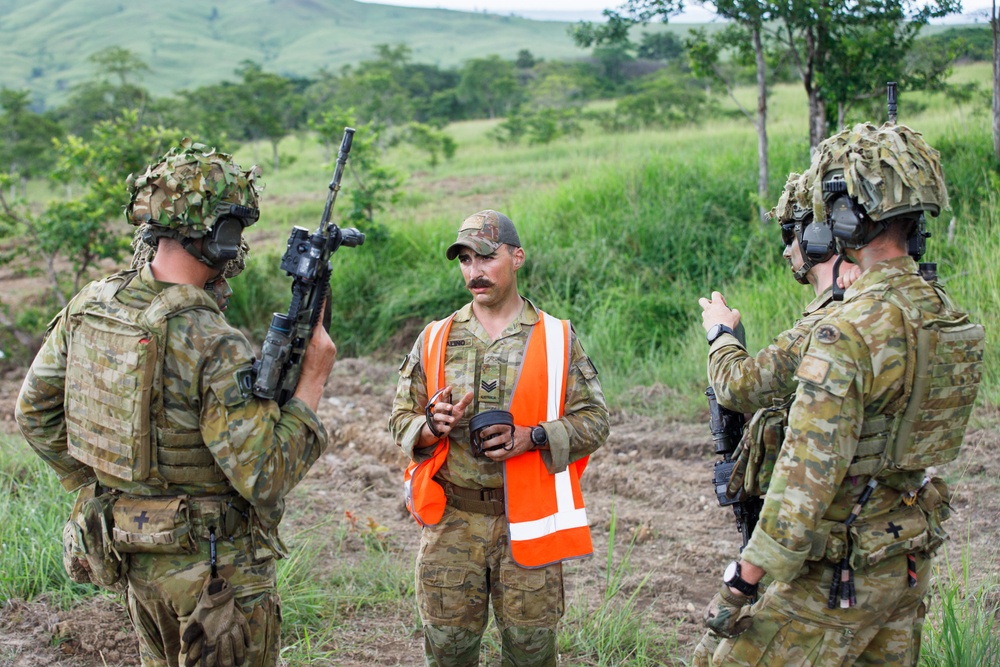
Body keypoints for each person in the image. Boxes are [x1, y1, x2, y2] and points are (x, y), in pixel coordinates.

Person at [15, 139, 337, 667]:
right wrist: (313, 382)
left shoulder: (92, 305)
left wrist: (108, 486)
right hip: (218, 579)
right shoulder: (212, 339)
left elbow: (34, 414)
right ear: (223, 234)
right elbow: (265, 474)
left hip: (136, 557)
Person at [700, 123, 984, 666]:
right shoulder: (943, 314)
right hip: (904, 561)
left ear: (849, 219)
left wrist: (743, 580)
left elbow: (804, 478)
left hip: (838, 574)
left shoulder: (848, 331)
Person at [389, 209, 609, 667]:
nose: (475, 272)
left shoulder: (555, 338)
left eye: (485, 258)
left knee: (530, 654)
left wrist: (534, 437)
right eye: (465, 261)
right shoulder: (435, 338)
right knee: (448, 653)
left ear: (517, 257)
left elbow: (595, 420)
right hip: (451, 523)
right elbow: (400, 419)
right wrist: (432, 426)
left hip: (525, 521)